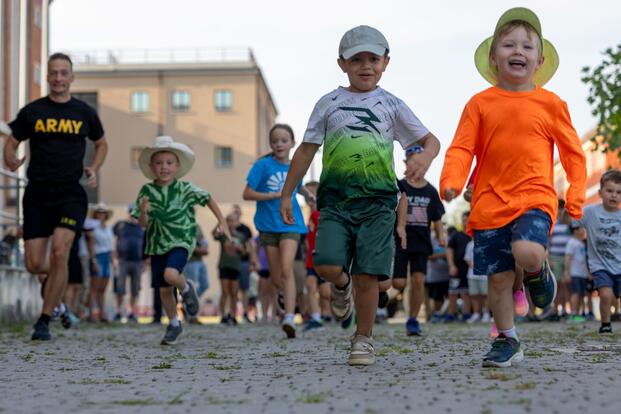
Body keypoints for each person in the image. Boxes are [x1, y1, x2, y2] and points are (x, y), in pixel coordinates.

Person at [280, 25, 441, 365]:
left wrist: (423, 158)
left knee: (369, 275)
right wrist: (286, 195)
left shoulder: (392, 105)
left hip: (379, 203)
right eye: (357, 60)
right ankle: (341, 285)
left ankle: (363, 339)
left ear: (386, 62)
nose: (365, 66)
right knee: (325, 264)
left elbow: (431, 141)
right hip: (336, 202)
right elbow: (306, 151)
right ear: (342, 64)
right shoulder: (329, 103)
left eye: (373, 59)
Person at [440, 8, 587, 367]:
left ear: (539, 60)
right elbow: (462, 146)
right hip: (489, 203)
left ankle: (538, 272)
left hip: (535, 195)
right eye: (508, 44)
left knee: (527, 251)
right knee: (499, 278)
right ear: (494, 57)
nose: (517, 50)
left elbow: (573, 154)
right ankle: (508, 340)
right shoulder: (479, 103)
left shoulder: (551, 104)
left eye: (526, 46)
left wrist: (577, 198)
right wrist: (452, 180)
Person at [2, 52, 108, 340]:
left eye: (64, 73)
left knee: (60, 252)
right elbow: (11, 140)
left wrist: (95, 168)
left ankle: (44, 320)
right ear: (47, 77)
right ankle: (57, 292)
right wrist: (10, 159)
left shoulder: (84, 112)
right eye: (53, 73)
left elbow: (101, 143)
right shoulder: (33, 111)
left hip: (70, 193)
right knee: (34, 264)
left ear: (72, 77)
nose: (59, 78)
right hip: (37, 193)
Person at [133, 135, 230, 345]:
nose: (164, 167)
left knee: (170, 275)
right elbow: (143, 224)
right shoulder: (146, 191)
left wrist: (222, 221)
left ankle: (187, 289)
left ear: (177, 166)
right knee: (164, 289)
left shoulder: (185, 188)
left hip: (181, 240)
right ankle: (174, 324)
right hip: (157, 244)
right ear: (152, 167)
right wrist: (142, 213)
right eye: (159, 163)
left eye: (169, 163)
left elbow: (208, 198)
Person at [243, 124, 309, 339]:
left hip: (291, 223)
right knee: (277, 276)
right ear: (271, 144)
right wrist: (273, 196)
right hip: (267, 225)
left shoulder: (296, 165)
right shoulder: (262, 166)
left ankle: (289, 317)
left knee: (287, 268)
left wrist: (308, 194)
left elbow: (297, 186)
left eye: (283, 140)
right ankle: (285, 298)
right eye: (275, 141)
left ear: (292, 143)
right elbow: (247, 194)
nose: (279, 144)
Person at [393, 146, 445, 335]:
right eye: (412, 162)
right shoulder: (399, 186)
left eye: (419, 162)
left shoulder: (431, 191)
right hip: (400, 239)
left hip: (421, 242)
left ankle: (413, 320)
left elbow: (437, 216)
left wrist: (440, 235)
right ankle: (383, 292)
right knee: (399, 283)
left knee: (418, 281)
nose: (416, 166)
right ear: (406, 164)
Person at [581, 169, 621, 334]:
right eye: (609, 191)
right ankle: (605, 324)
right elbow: (572, 216)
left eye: (619, 192)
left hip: (619, 264)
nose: (614, 195)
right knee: (605, 295)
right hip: (599, 265)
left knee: (613, 296)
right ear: (600, 192)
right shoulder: (590, 212)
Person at [303, 181, 331, 331]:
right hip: (311, 258)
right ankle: (315, 317)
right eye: (306, 194)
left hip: (324, 257)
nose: (308, 197)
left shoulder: (323, 212)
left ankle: (329, 311)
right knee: (310, 286)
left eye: (311, 193)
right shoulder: (309, 215)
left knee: (325, 293)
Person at [213, 214, 250, 325]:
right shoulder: (223, 235)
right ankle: (223, 315)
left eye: (233, 221)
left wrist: (240, 249)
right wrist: (220, 221)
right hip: (224, 265)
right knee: (225, 292)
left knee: (234, 292)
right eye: (229, 221)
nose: (232, 223)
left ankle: (233, 315)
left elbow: (245, 252)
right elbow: (214, 235)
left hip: (236, 266)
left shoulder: (241, 236)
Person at [113, 205, 145, 322]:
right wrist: (115, 253)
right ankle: (118, 312)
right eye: (131, 211)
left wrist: (145, 262)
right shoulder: (121, 225)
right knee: (120, 287)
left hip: (137, 261)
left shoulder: (141, 227)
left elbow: (144, 245)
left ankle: (132, 312)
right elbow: (115, 239)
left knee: (135, 289)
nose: (133, 214)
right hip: (123, 260)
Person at [545, 199, 572, 320]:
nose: (559, 212)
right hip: (555, 257)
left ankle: (566, 310)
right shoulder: (553, 224)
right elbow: (549, 242)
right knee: (557, 285)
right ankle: (556, 309)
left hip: (567, 257)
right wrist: (549, 258)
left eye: (561, 209)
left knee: (566, 285)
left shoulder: (569, 224)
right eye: (557, 209)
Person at [87, 203, 114, 322]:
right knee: (94, 287)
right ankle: (91, 313)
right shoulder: (92, 227)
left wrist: (112, 260)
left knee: (103, 288)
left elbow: (110, 245)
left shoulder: (108, 228)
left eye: (103, 212)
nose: (101, 214)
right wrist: (94, 260)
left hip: (107, 257)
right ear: (95, 214)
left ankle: (102, 312)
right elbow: (91, 244)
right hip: (97, 257)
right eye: (99, 212)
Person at [230, 205, 254, 323]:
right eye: (234, 212)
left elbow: (251, 246)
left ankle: (245, 313)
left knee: (244, 289)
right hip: (230, 263)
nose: (236, 214)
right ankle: (231, 314)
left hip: (243, 262)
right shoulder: (227, 229)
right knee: (232, 290)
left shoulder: (246, 229)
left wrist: (252, 262)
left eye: (238, 212)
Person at [446, 212, 472, 321]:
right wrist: (451, 265)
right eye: (463, 220)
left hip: (470, 270)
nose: (465, 222)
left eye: (467, 220)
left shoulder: (475, 235)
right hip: (456, 268)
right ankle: (452, 314)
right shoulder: (456, 235)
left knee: (466, 292)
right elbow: (449, 250)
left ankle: (466, 314)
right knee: (453, 292)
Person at [183, 224, 209, 323]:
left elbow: (203, 240)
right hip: (190, 261)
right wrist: (199, 249)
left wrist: (205, 247)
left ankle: (187, 304)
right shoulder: (183, 224)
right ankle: (191, 316)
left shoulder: (197, 226)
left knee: (205, 285)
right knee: (193, 287)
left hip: (200, 260)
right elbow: (184, 243)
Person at [564, 222, 589, 323]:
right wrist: (567, 273)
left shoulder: (581, 242)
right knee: (575, 293)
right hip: (575, 273)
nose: (583, 230)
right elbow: (568, 258)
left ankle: (578, 314)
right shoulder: (571, 242)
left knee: (581, 294)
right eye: (581, 229)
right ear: (575, 230)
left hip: (582, 273)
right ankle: (573, 314)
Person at [464, 239, 491, 323]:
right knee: (474, 295)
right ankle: (476, 313)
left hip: (485, 275)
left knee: (485, 295)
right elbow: (467, 258)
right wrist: (475, 267)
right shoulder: (470, 244)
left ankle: (486, 313)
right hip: (472, 274)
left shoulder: (488, 242)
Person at [426, 234, 450, 323]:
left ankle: (446, 314)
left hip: (448, 274)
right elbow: (428, 256)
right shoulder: (431, 240)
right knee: (437, 298)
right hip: (435, 276)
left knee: (449, 296)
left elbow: (452, 253)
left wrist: (439, 255)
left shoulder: (449, 239)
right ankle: (436, 315)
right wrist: (443, 255)